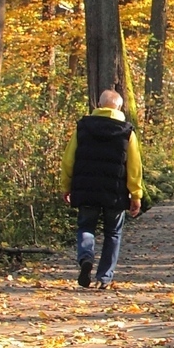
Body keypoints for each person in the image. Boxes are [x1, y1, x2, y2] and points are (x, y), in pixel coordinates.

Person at [61, 89, 143, 288]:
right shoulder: (127, 131)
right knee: (113, 233)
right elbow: (134, 166)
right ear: (120, 107)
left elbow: (68, 160)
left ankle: (86, 257)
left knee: (86, 227)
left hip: (86, 189)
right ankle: (104, 278)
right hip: (114, 192)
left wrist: (66, 186)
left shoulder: (83, 127)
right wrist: (136, 194)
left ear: (99, 105)